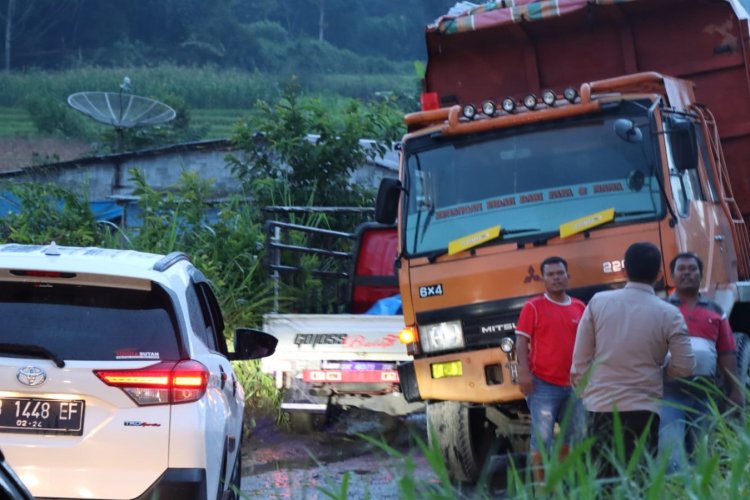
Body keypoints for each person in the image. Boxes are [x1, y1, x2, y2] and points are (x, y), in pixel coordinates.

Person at [570, 242, 694, 477]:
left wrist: (587, 394)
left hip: (600, 407)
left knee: (603, 481)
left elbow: (580, 361)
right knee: (640, 478)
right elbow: (685, 366)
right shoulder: (669, 313)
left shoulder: (598, 302)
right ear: (659, 275)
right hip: (644, 408)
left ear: (624, 270)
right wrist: (660, 373)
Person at [659, 252, 744, 472]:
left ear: (701, 274)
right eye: (681, 269)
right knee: (671, 456)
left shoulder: (715, 311)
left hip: (705, 394)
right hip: (668, 393)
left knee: (704, 455)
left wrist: (735, 389)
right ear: (672, 275)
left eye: (692, 269)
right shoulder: (661, 309)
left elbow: (726, 352)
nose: (687, 273)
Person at [515, 256, 586, 481]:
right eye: (551, 274)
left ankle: (568, 482)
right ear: (543, 278)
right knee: (542, 438)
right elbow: (521, 341)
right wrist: (523, 372)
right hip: (543, 385)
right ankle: (542, 487)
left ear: (568, 276)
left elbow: (587, 343)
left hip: (575, 386)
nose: (556, 278)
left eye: (560, 273)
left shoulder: (579, 307)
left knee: (574, 436)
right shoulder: (533, 307)